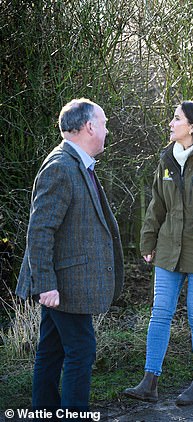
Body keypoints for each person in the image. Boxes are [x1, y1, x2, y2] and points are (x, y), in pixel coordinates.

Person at [123, 101, 193, 405]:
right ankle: (149, 382)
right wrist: (148, 242)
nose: (171, 124)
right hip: (169, 249)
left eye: (176, 119)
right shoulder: (166, 159)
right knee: (160, 314)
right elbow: (156, 205)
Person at [15, 98, 124, 412]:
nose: (106, 130)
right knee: (81, 351)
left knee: (51, 352)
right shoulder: (61, 167)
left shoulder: (76, 163)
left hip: (65, 282)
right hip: (64, 283)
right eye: (103, 124)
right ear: (89, 126)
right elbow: (40, 230)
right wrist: (46, 284)